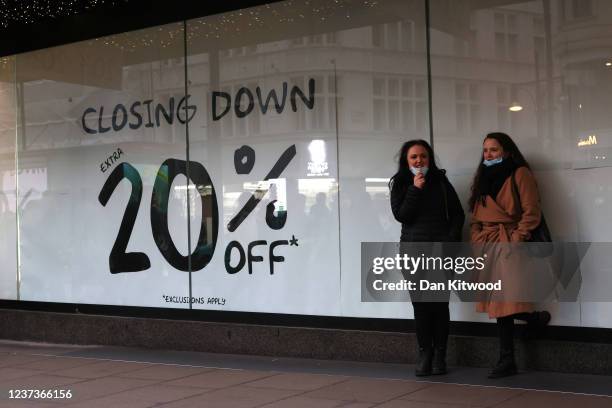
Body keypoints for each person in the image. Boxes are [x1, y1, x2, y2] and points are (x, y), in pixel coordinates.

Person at [468, 132, 551, 379]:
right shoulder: (482, 178)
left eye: (493, 149)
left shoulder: (520, 173)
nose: (489, 154)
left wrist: (516, 239)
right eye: (485, 150)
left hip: (509, 243)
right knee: (500, 302)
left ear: (506, 150)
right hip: (488, 244)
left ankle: (507, 359)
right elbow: (475, 214)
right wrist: (476, 237)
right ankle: (533, 319)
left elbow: (532, 212)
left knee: (503, 302)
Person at [390, 139, 465, 376]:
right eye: (414, 157)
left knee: (440, 305)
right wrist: (415, 189)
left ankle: (440, 356)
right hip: (413, 253)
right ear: (406, 160)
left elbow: (458, 215)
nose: (419, 161)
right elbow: (402, 215)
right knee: (421, 305)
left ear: (429, 158)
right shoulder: (400, 183)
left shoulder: (441, 182)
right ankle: (425, 353)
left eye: (423, 156)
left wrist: (451, 239)